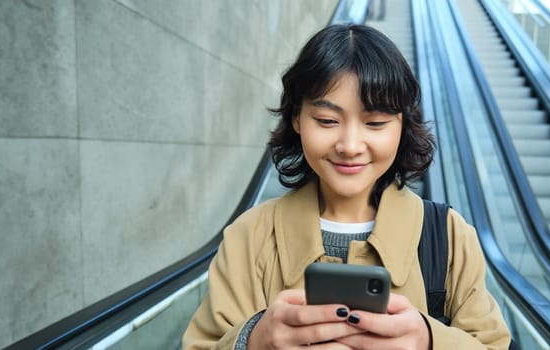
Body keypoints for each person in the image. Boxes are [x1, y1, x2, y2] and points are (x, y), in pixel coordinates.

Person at [182, 24, 511, 349]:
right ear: (296, 118)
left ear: (402, 125)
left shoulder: (448, 236)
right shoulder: (249, 236)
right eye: (327, 121)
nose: (350, 145)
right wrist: (252, 340)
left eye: (376, 123)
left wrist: (429, 340)